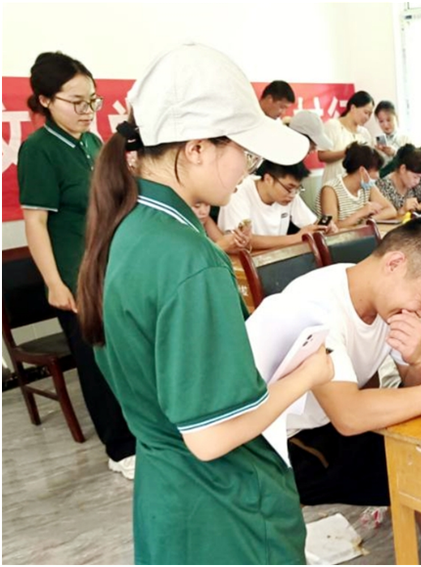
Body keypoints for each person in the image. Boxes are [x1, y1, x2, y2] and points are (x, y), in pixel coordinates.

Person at [76, 43, 330, 566]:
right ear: (196, 148)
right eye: (245, 152)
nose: (247, 168)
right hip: (222, 507)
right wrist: (306, 376)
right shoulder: (191, 260)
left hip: (169, 498)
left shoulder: (126, 228)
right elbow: (211, 438)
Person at [246, 218, 421, 566]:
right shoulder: (316, 304)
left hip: (329, 428)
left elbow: (420, 391)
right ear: (395, 264)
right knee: (418, 458)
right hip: (281, 449)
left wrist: (418, 359)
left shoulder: (387, 300)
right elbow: (350, 416)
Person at [17, 51, 137, 479]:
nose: (88, 111)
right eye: (77, 102)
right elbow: (35, 223)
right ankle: (120, 448)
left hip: (109, 269)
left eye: (93, 100)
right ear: (46, 100)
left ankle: (139, 432)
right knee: (94, 359)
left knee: (122, 355)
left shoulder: (91, 143)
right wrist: (53, 282)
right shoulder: (39, 151)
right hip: (73, 276)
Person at [219, 160, 338, 251]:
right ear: (268, 179)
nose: (293, 195)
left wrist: (324, 228)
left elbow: (311, 223)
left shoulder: (289, 195)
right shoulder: (239, 191)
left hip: (275, 258)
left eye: (297, 189)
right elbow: (240, 240)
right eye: (289, 188)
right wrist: (296, 238)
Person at [317, 142, 396, 227]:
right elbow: (331, 228)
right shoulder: (330, 190)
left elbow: (391, 210)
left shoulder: (368, 186)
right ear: (362, 170)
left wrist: (369, 220)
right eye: (376, 170)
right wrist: (361, 213)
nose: (378, 176)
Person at [318, 90, 374, 186]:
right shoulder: (333, 125)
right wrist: (346, 152)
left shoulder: (364, 133)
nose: (367, 117)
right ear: (352, 108)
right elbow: (322, 156)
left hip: (357, 187)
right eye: (365, 112)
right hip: (333, 185)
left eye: (370, 114)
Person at [376, 144, 421, 213]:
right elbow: (382, 218)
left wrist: (417, 207)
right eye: (415, 177)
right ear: (403, 169)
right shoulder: (382, 186)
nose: (417, 181)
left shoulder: (414, 185)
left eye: (420, 177)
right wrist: (403, 210)